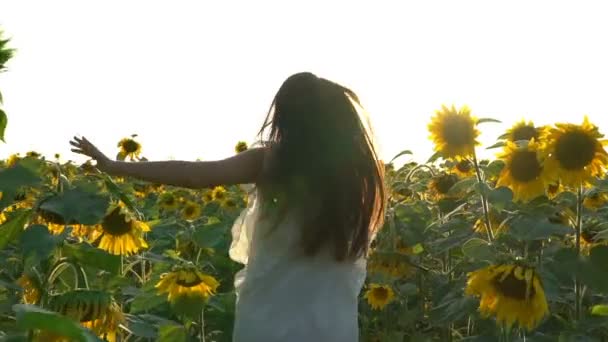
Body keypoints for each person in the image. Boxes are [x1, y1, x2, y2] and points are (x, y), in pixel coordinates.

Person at [70, 71, 386, 342]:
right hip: (331, 326)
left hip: (269, 320)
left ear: (285, 118)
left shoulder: (271, 162)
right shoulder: (356, 177)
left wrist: (116, 166)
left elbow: (193, 175)